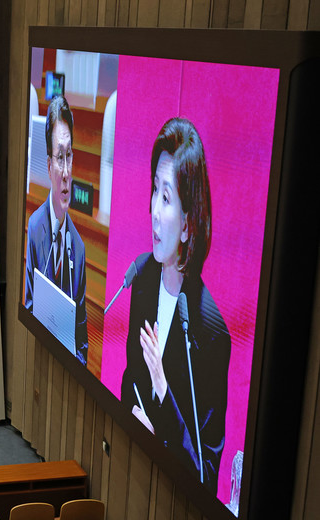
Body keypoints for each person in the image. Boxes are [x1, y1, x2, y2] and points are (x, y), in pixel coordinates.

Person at [120, 118, 230, 493]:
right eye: (155, 190)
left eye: (166, 198)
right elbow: (130, 381)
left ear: (186, 224)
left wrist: (162, 388)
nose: (153, 209)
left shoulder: (211, 333)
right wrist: (132, 414)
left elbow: (207, 473)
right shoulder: (143, 279)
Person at [23, 94, 89, 364]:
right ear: (49, 166)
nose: (66, 172)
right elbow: (28, 309)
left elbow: (82, 343)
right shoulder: (35, 228)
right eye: (60, 157)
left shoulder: (79, 248)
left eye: (69, 156)